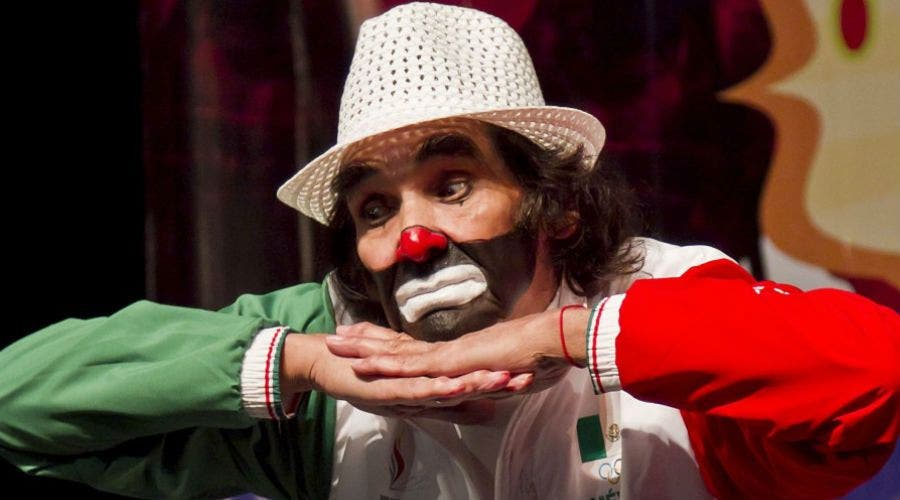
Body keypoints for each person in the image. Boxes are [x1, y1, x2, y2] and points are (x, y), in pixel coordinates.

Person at [1, 3, 897, 499]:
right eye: (375, 207)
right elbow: (17, 403)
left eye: (453, 185)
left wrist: (563, 337)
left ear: (555, 207)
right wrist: (301, 363)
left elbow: (881, 376)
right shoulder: (334, 348)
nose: (413, 237)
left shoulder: (666, 297)